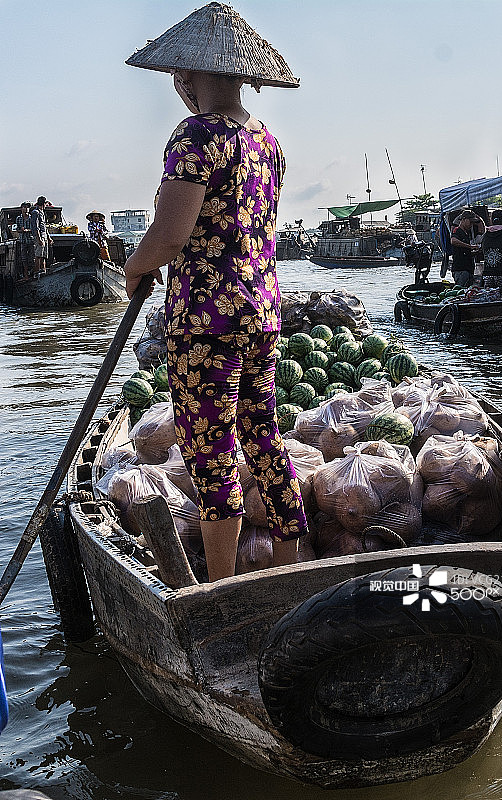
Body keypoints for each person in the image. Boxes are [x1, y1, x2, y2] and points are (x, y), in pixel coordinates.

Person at [123, 4, 306, 581]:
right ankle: (290, 571)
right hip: (261, 311)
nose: (178, 85)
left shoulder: (198, 135)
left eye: (182, 76)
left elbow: (171, 234)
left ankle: (222, 589)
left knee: (211, 452)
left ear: (196, 77)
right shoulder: (265, 141)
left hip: (208, 321)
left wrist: (135, 266)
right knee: (264, 438)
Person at [450, 210, 484, 287]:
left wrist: (475, 252)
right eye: (470, 222)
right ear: (464, 219)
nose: (471, 225)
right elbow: (453, 241)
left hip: (468, 269)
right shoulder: (457, 230)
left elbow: (465, 251)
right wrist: (471, 247)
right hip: (461, 269)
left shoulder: (466, 233)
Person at [30, 196, 52, 276]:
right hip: (39, 237)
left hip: (44, 236)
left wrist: (49, 238)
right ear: (43, 204)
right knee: (38, 255)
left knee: (43, 256)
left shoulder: (42, 212)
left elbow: (44, 227)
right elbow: (36, 227)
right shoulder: (35, 213)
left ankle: (43, 271)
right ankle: (36, 272)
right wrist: (39, 239)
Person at [15, 202, 34, 280]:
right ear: (21, 208)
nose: (26, 209)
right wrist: (21, 230)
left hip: (31, 240)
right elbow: (17, 229)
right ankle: (25, 275)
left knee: (32, 258)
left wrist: (27, 230)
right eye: (24, 207)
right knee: (24, 259)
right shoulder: (18, 218)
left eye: (27, 207)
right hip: (23, 240)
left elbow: (34, 229)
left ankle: (33, 273)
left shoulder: (32, 218)